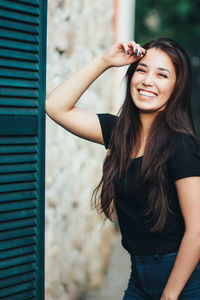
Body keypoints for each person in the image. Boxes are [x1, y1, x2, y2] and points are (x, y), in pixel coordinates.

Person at [45, 38, 200, 300]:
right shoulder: (119, 132)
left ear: (177, 87)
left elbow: (197, 228)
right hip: (139, 276)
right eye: (141, 70)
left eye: (162, 75)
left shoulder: (180, 145)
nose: (148, 81)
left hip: (182, 280)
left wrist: (171, 294)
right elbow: (55, 107)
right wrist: (105, 61)